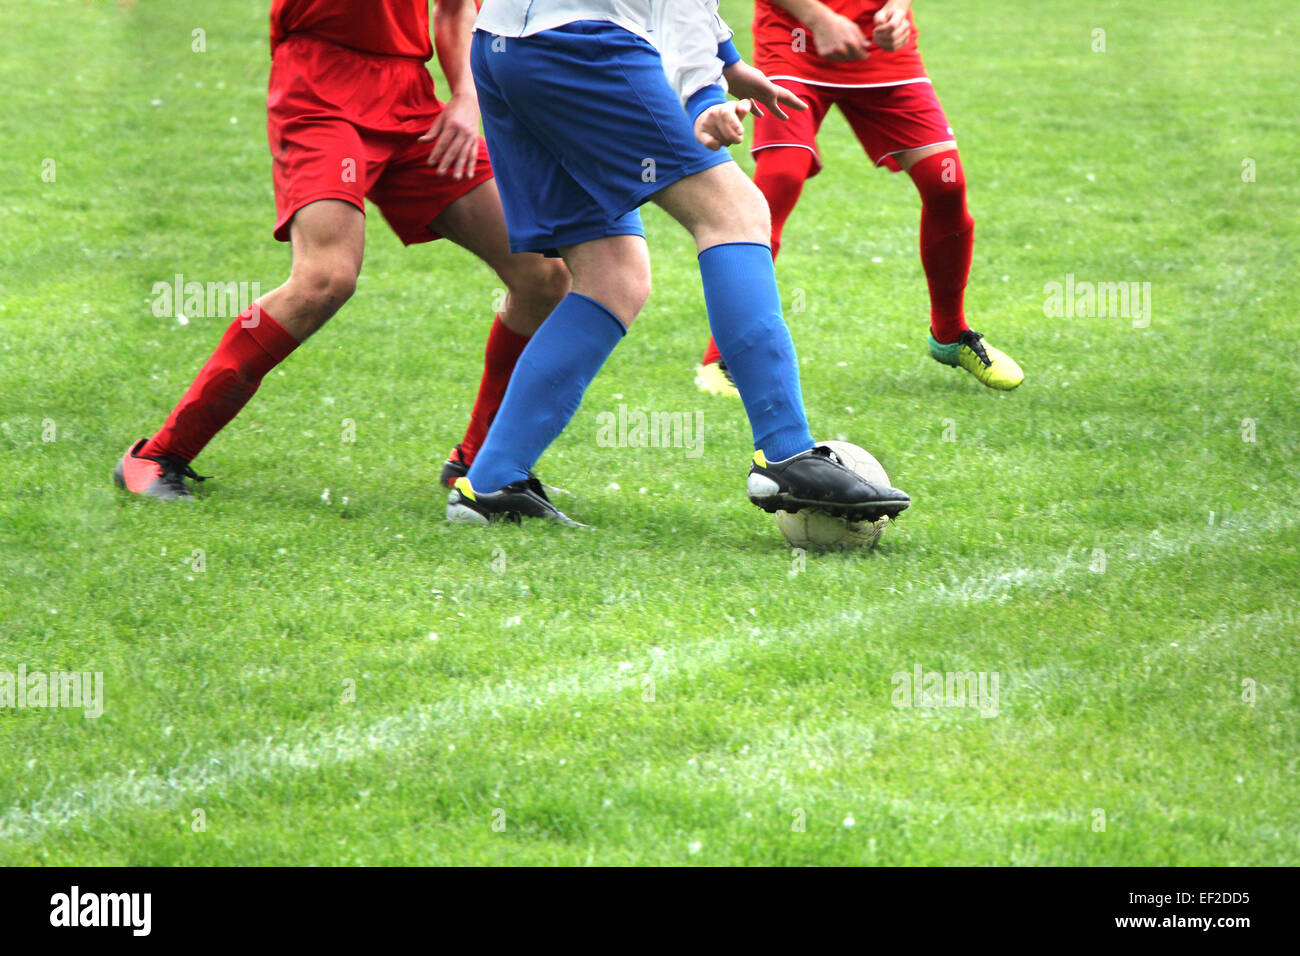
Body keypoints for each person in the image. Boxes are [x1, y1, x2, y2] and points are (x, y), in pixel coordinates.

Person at [445, 0, 910, 527]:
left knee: (611, 275)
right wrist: (705, 93)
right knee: (735, 213)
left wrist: (728, 61)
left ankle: (490, 485)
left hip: (505, 47)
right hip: (578, 43)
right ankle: (783, 452)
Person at [114, 0, 569, 501]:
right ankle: (158, 454)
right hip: (319, 86)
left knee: (543, 274)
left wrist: (465, 97)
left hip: (409, 97)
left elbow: (455, 8)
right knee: (324, 281)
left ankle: (478, 460)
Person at [694, 0, 1023, 399]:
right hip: (793, 42)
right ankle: (721, 356)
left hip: (878, 49)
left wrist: (898, 10)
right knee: (780, 177)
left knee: (944, 181)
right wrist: (820, 18)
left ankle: (951, 333)